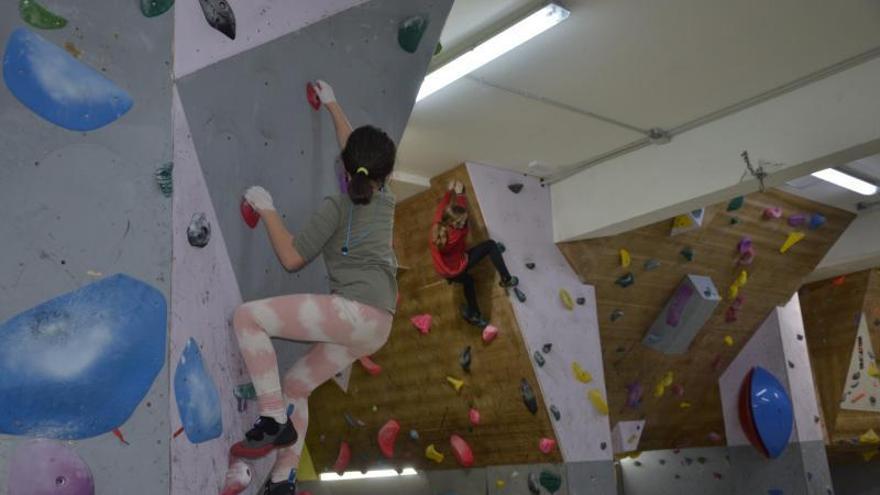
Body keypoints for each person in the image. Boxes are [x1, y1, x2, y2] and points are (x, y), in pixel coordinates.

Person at [231, 80, 398, 495]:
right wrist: (333, 105)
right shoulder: (386, 200)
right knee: (295, 386)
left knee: (247, 317)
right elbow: (355, 150)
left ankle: (272, 418)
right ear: (386, 176)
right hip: (379, 327)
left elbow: (291, 258)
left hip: (353, 313)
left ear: (345, 167)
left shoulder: (336, 209)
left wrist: (267, 208)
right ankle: (284, 478)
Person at [430, 179, 518, 327]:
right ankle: (506, 279)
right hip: (458, 267)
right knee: (490, 245)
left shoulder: (437, 226)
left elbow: (441, 208)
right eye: (462, 221)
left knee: (468, 281)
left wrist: (449, 192)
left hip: (444, 270)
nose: (465, 222)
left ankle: (475, 315)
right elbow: (463, 211)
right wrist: (460, 195)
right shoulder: (459, 233)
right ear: (454, 224)